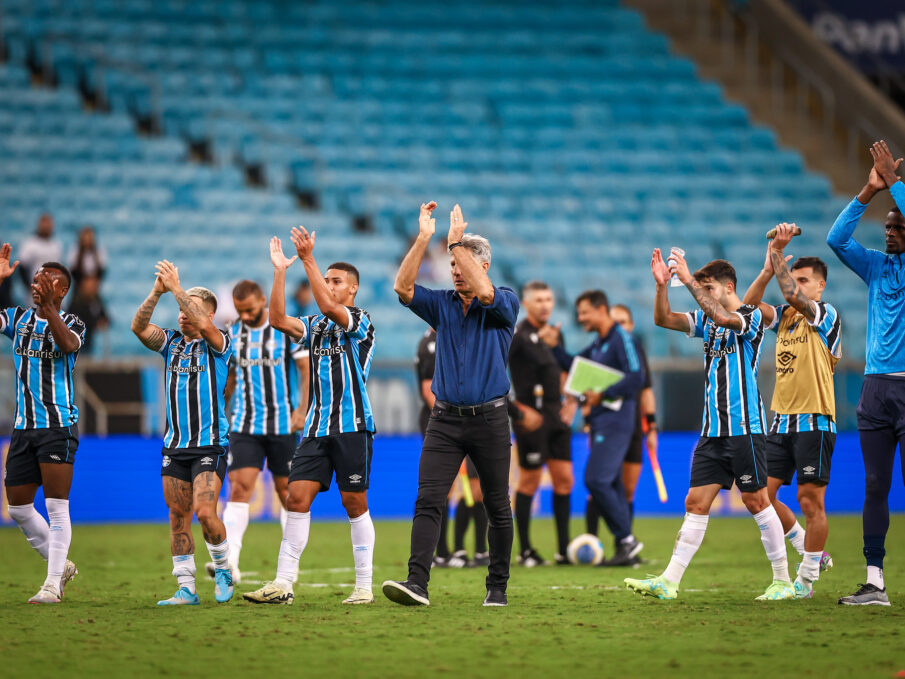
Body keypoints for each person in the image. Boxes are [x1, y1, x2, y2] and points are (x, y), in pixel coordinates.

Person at [625, 252, 793, 601]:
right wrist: (661, 287)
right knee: (695, 502)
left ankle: (783, 580)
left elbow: (721, 314)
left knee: (756, 500)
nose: (702, 293)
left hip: (744, 427)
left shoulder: (749, 316)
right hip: (712, 430)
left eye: (708, 287)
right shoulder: (707, 320)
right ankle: (669, 581)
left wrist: (687, 280)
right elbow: (664, 319)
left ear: (728, 286)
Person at [383, 202, 518, 607]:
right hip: (444, 421)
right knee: (429, 499)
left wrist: (456, 241)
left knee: (496, 504)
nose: (455, 269)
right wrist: (426, 239)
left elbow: (488, 292)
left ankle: (497, 586)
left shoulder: (505, 302)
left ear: (484, 264)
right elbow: (403, 289)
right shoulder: (442, 303)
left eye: (463, 262)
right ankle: (417, 583)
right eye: (452, 262)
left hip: (491, 420)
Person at [243, 228, 376, 606]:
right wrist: (281, 271)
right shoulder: (316, 326)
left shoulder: (360, 321)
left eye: (336, 281)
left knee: (355, 503)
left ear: (352, 289)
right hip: (317, 428)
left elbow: (331, 308)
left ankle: (363, 586)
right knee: (296, 497)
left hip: (353, 426)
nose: (329, 285)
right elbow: (279, 319)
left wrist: (308, 259)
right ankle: (282, 583)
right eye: (326, 280)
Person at [743, 226, 841, 598]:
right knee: (758, 496)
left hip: (815, 419)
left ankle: (807, 579)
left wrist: (778, 252)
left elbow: (790, 295)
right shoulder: (784, 316)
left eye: (804, 280)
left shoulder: (826, 315)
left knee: (810, 501)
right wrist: (769, 268)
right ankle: (805, 545)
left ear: (819, 287)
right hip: (781, 419)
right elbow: (747, 308)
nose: (797, 285)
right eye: (795, 277)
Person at [131, 260, 234, 606]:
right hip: (175, 446)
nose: (181, 315)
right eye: (179, 309)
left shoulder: (219, 343)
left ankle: (222, 569)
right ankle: (186, 588)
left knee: (205, 513)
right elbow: (138, 327)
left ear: (208, 314)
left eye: (188, 309)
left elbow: (204, 323)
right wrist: (158, 292)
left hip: (210, 444)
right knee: (178, 517)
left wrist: (177, 287)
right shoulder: (171, 343)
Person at [828, 140, 905, 606]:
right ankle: (874, 581)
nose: (889, 232)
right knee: (875, 484)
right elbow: (836, 240)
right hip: (875, 390)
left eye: (898, 228)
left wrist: (896, 185)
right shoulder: (876, 267)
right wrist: (870, 191)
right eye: (888, 228)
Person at [202, 279, 309, 584]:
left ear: (263, 300)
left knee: (288, 495)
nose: (245, 316)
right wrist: (222, 408)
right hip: (245, 425)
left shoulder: (285, 330)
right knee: (239, 490)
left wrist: (301, 410)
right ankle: (230, 564)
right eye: (240, 311)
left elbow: (304, 372)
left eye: (249, 310)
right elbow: (231, 375)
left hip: (282, 426)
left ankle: (291, 564)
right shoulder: (233, 332)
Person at [0, 244, 83, 604]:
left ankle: (51, 585)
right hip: (23, 427)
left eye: (46, 280)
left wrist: (50, 310)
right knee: (18, 507)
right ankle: (59, 564)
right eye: (34, 279)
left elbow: (67, 345)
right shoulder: (17, 318)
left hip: (57, 425)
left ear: (61, 290)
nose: (37, 283)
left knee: (56, 506)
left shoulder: (72, 322)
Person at [539, 290, 644, 566]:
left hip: (618, 420)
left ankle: (627, 540)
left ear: (600, 309)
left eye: (584, 312)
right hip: (601, 420)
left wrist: (605, 393)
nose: (580, 318)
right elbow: (576, 366)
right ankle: (625, 545)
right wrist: (553, 346)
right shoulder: (599, 343)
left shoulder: (622, 338)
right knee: (609, 482)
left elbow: (637, 377)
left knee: (596, 479)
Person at [509, 281, 574, 567]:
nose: (545, 304)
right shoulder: (518, 336)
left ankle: (563, 551)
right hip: (532, 418)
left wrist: (572, 401)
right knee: (530, 480)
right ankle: (525, 550)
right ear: (526, 304)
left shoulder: (554, 337)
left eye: (548, 299)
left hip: (556, 416)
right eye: (539, 300)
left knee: (564, 480)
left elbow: (565, 372)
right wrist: (517, 411)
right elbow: (495, 373)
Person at [416, 328, 488, 569]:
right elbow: (429, 390)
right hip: (443, 421)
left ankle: (477, 550)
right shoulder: (431, 344)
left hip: (470, 419)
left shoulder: (461, 336)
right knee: (443, 488)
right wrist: (450, 423)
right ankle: (443, 552)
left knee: (476, 488)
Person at [584, 303, 657, 535]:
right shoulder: (602, 349)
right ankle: (593, 542)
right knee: (599, 484)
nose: (620, 326)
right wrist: (588, 421)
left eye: (624, 321)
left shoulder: (636, 351)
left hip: (634, 426)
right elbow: (588, 387)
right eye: (616, 322)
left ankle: (624, 544)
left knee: (626, 490)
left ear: (631, 325)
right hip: (606, 425)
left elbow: (646, 390)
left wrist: (652, 427)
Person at [66, 274, 110, 354]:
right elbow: (78, 322)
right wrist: (96, 323)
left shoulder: (97, 300)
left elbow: (105, 317)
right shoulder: (76, 303)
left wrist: (104, 321)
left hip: (91, 340)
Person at [19, 213, 63, 286]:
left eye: (48, 224)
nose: (46, 227)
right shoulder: (30, 243)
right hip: (35, 287)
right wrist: (28, 286)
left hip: (52, 288)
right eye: (44, 224)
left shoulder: (56, 244)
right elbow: (22, 268)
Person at [68, 225, 107, 289]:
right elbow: (73, 271)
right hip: (79, 285)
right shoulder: (75, 249)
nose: (87, 240)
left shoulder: (99, 250)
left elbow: (101, 271)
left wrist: (92, 281)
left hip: (95, 286)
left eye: (89, 237)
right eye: (85, 238)